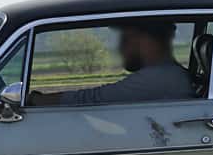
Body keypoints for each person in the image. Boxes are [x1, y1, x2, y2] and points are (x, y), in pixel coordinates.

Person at [29, 19, 197, 106]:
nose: (120, 48)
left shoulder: (160, 77)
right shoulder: (169, 74)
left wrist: (34, 100)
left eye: (125, 39)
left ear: (145, 40)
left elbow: (94, 99)